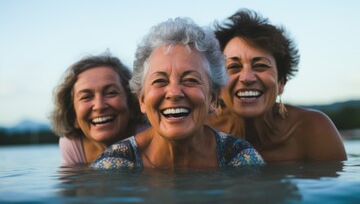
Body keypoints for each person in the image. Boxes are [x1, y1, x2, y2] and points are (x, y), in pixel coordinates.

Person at [90, 18, 264, 170]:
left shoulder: (240, 159)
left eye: (190, 80)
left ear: (214, 98)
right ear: (142, 100)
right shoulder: (113, 165)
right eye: (160, 81)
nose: (174, 93)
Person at [206, 9, 347, 162]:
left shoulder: (313, 131)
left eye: (260, 66)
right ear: (218, 85)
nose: (246, 78)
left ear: (281, 83)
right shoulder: (201, 133)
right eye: (234, 67)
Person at [50, 52, 147, 166]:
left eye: (111, 93)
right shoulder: (73, 145)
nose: (99, 106)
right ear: (73, 115)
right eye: (86, 97)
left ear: (131, 103)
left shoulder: (149, 135)